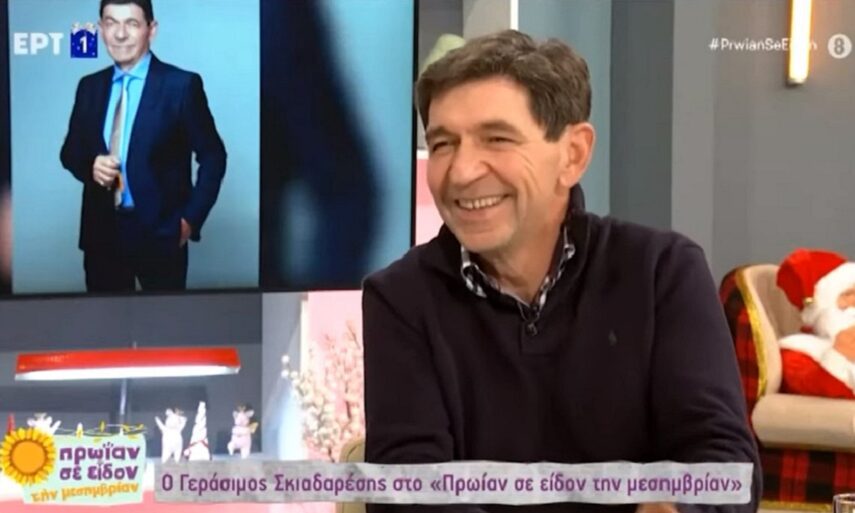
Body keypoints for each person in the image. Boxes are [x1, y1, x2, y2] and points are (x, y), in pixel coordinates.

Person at [362, 30, 761, 513]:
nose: (461, 171)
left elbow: (722, 462)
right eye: (443, 143)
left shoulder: (662, 272)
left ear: (573, 154)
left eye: (496, 139)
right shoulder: (400, 298)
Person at [60, 0, 226, 292]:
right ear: (100, 29)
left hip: (161, 233)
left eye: (132, 24)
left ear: (152, 30)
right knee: (104, 321)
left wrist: (189, 221)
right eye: (111, 23)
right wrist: (90, 165)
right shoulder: (89, 86)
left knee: (164, 321)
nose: (120, 34)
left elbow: (213, 156)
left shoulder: (181, 85)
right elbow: (70, 152)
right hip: (102, 236)